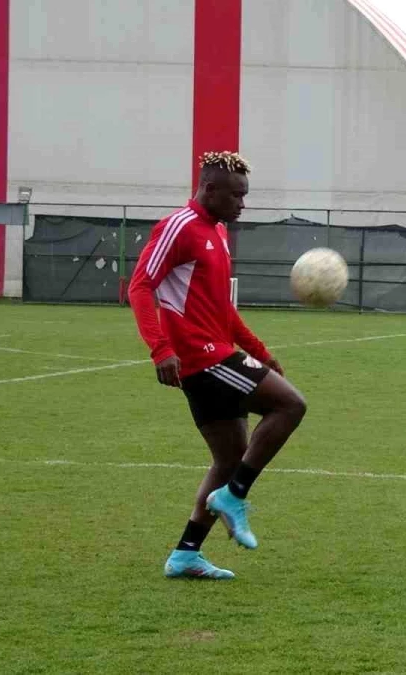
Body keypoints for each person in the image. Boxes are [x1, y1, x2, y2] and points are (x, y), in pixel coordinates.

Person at [128, 151, 308, 580]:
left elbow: (222, 308)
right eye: (236, 196)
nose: (242, 205)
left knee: (228, 459)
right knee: (290, 406)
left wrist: (259, 350)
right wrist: (160, 349)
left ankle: (186, 554)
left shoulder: (218, 231)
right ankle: (236, 496)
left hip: (218, 349)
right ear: (209, 189)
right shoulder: (178, 228)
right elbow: (140, 286)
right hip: (203, 356)